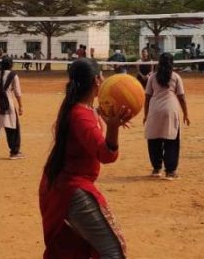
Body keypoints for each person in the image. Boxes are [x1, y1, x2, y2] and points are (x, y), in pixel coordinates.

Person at [39, 58, 131, 259]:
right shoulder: (81, 115)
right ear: (97, 80)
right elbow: (106, 155)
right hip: (73, 190)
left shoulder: (76, 108)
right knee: (113, 251)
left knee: (71, 250)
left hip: (60, 187)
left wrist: (104, 115)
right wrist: (113, 128)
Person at [144, 53, 190, 180]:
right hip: (170, 109)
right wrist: (186, 113)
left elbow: (147, 97)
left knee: (154, 140)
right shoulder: (175, 77)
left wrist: (145, 114)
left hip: (155, 110)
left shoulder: (152, 77)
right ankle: (170, 171)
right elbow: (181, 97)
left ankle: (156, 168)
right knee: (172, 140)